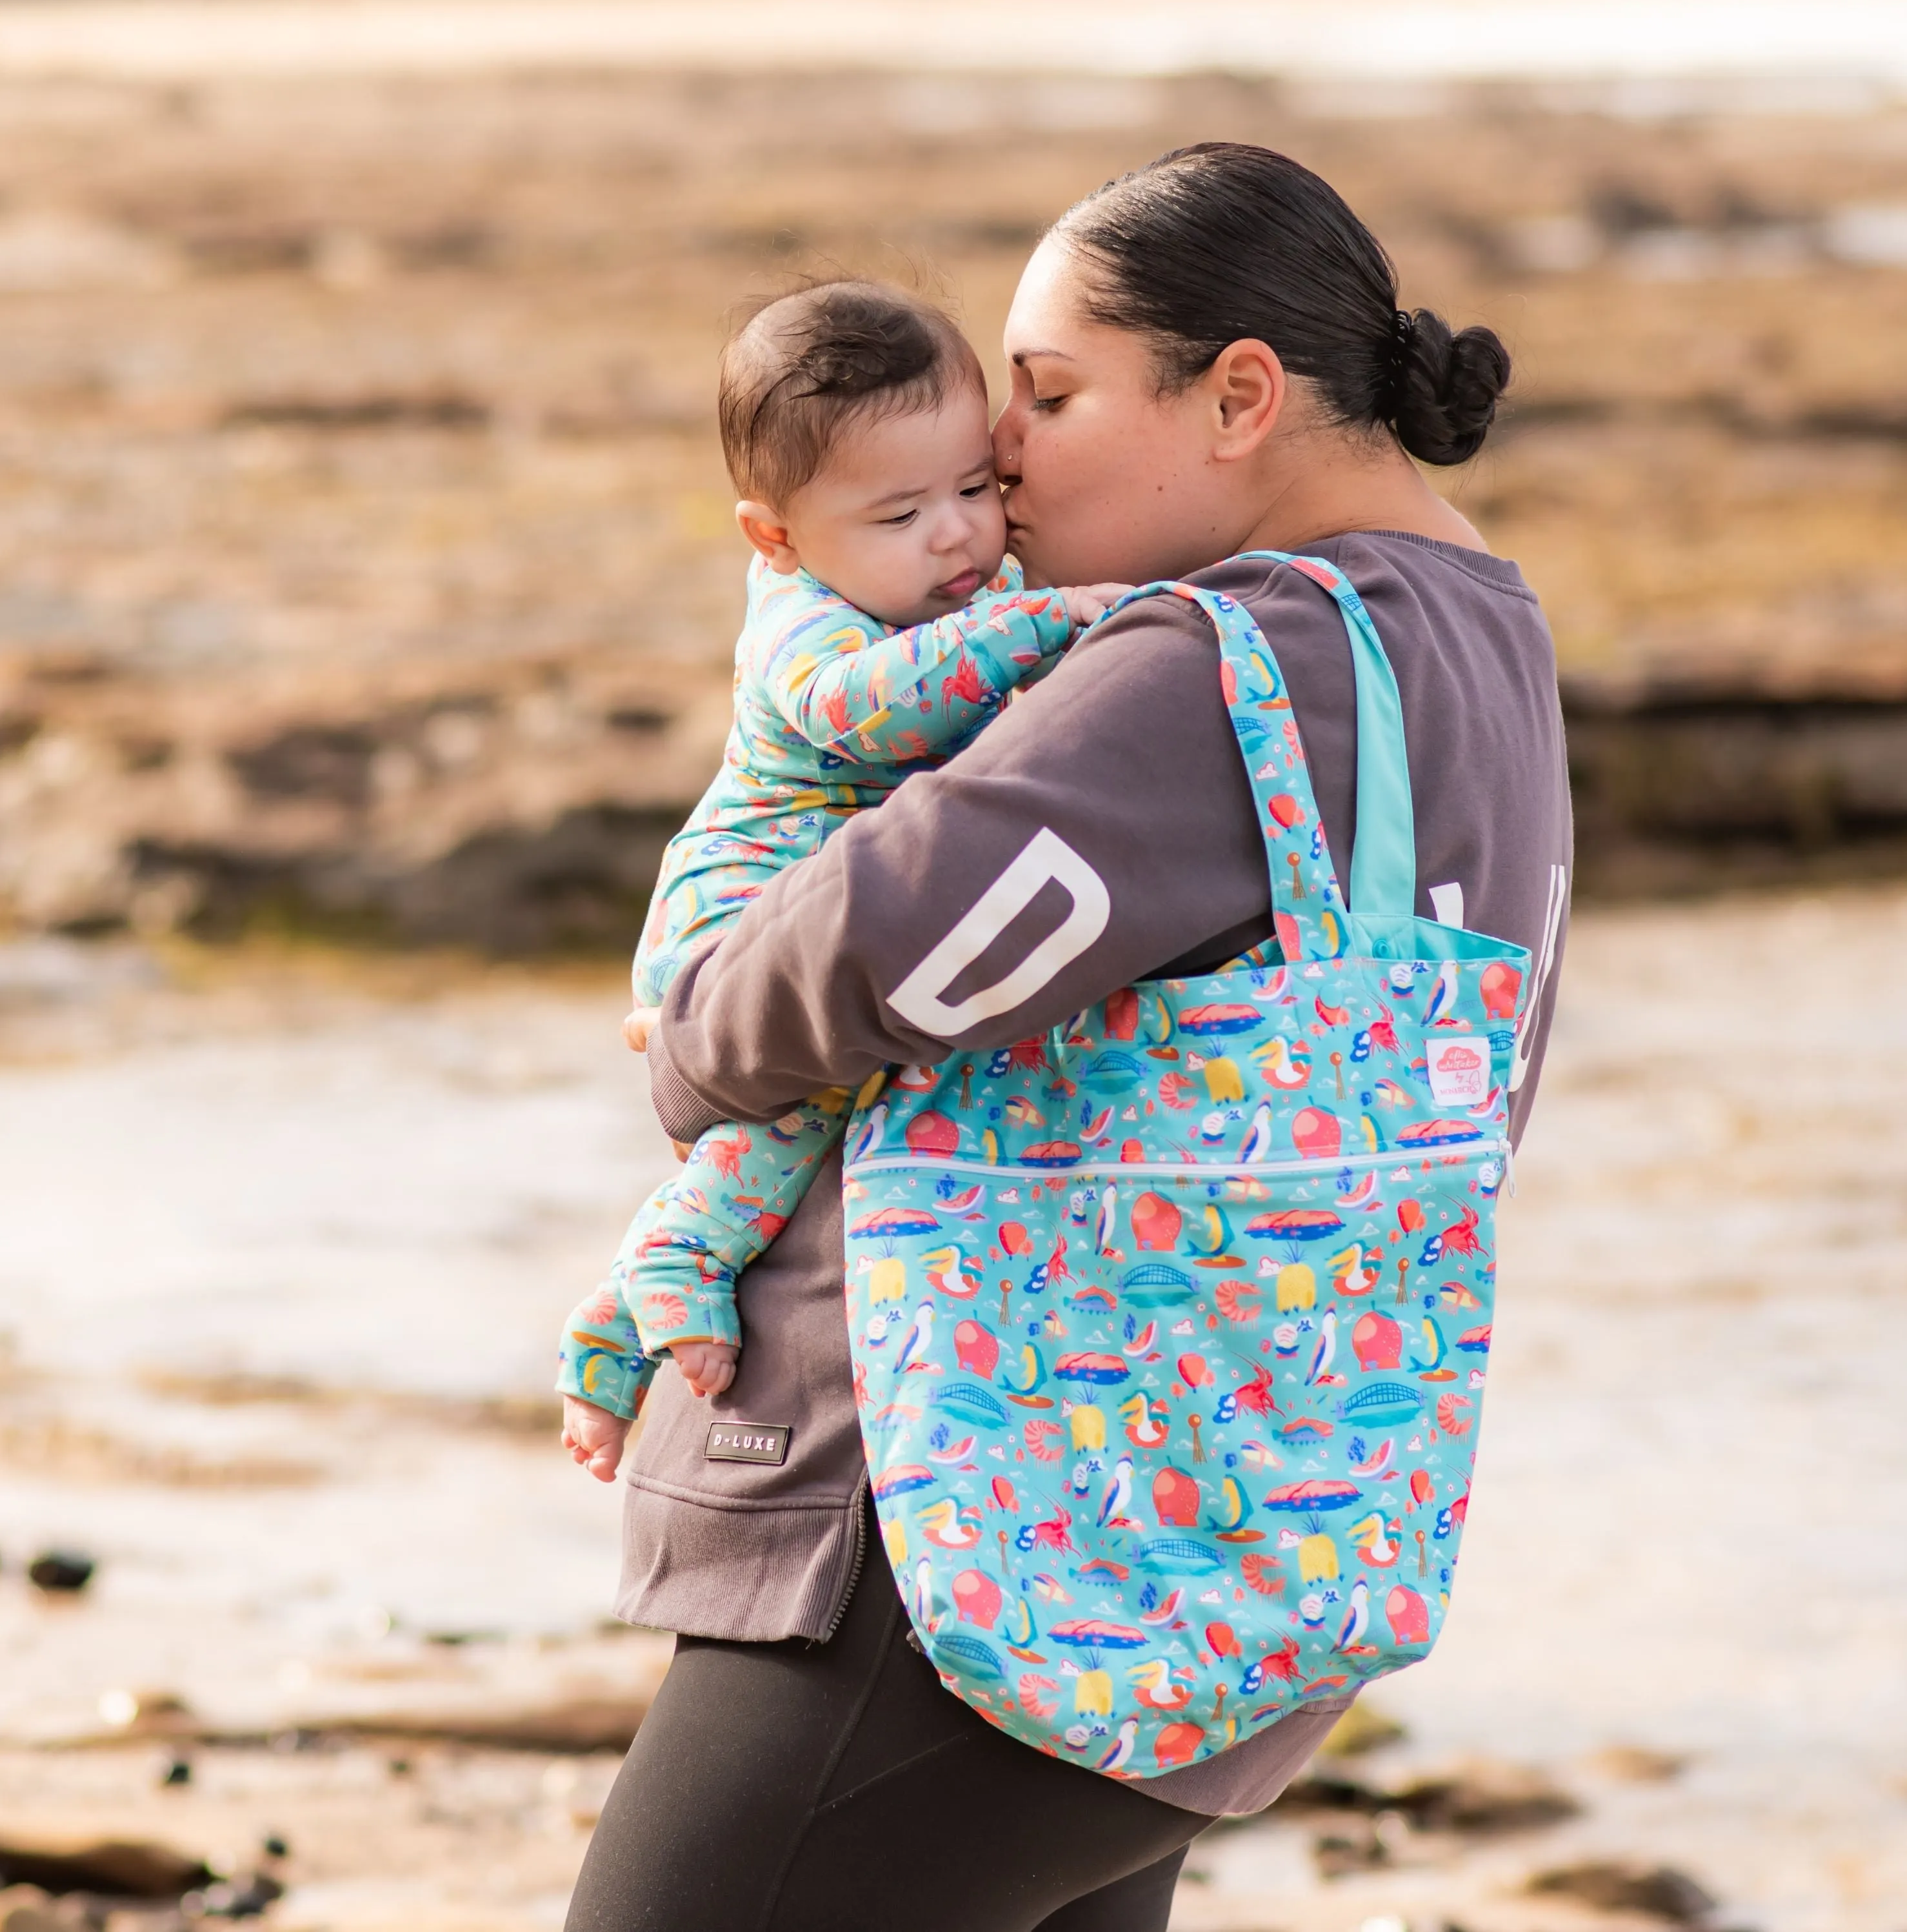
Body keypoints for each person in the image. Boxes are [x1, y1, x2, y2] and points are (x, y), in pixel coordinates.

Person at [562, 143, 1574, 1932]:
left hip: (963, 1521)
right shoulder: (1476, 640)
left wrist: (692, 1040)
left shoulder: (1223, 656)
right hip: (1195, 1513)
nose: (1001, 454)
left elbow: (883, 932)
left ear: (1238, 392)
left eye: (1046, 390)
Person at [557, 280, 1124, 1471]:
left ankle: (610, 1345)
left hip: (820, 901)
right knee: (816, 1078)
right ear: (775, 535)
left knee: (785, 1138)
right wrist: (1054, 620)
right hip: (741, 903)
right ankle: (682, 1256)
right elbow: (859, 710)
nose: (958, 534)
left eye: (975, 487)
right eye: (900, 513)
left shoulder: (953, 591)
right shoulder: (802, 625)